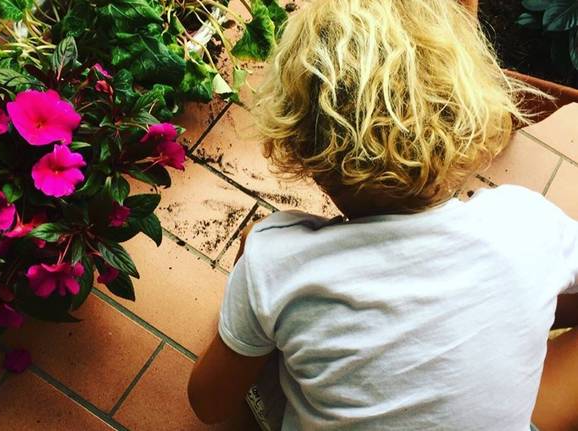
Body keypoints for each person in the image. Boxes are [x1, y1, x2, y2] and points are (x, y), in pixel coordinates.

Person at [188, 0, 578, 430]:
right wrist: (507, 307)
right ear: (468, 117)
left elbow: (208, 404)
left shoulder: (276, 264)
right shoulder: (526, 226)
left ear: (303, 153)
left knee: (256, 260)